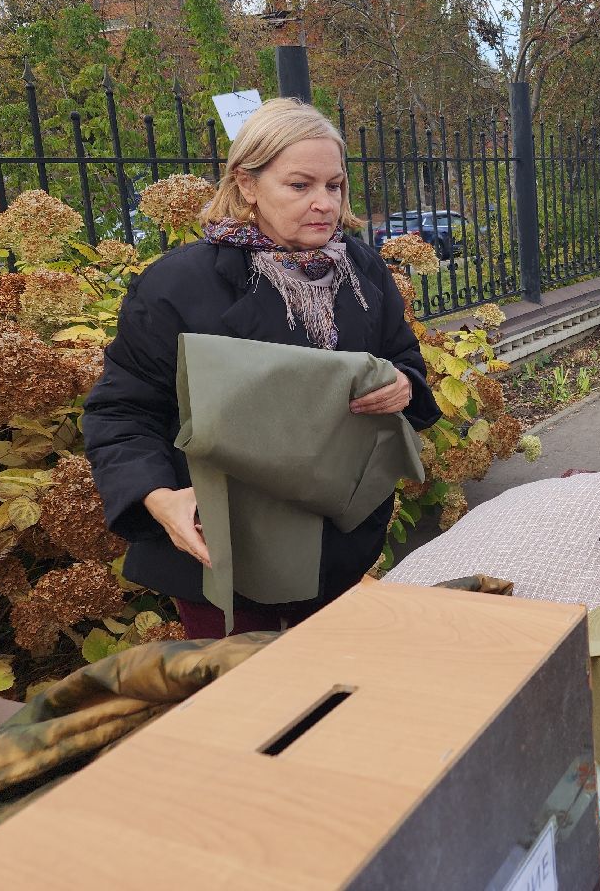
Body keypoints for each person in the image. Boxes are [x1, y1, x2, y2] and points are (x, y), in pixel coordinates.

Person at [84, 98, 440, 639]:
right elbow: (121, 411)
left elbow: (403, 357)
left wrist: (402, 385)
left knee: (332, 695)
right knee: (243, 707)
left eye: (335, 185)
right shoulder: (177, 286)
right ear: (247, 184)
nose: (324, 204)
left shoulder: (360, 267)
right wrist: (159, 498)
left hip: (338, 542)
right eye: (300, 186)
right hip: (225, 549)